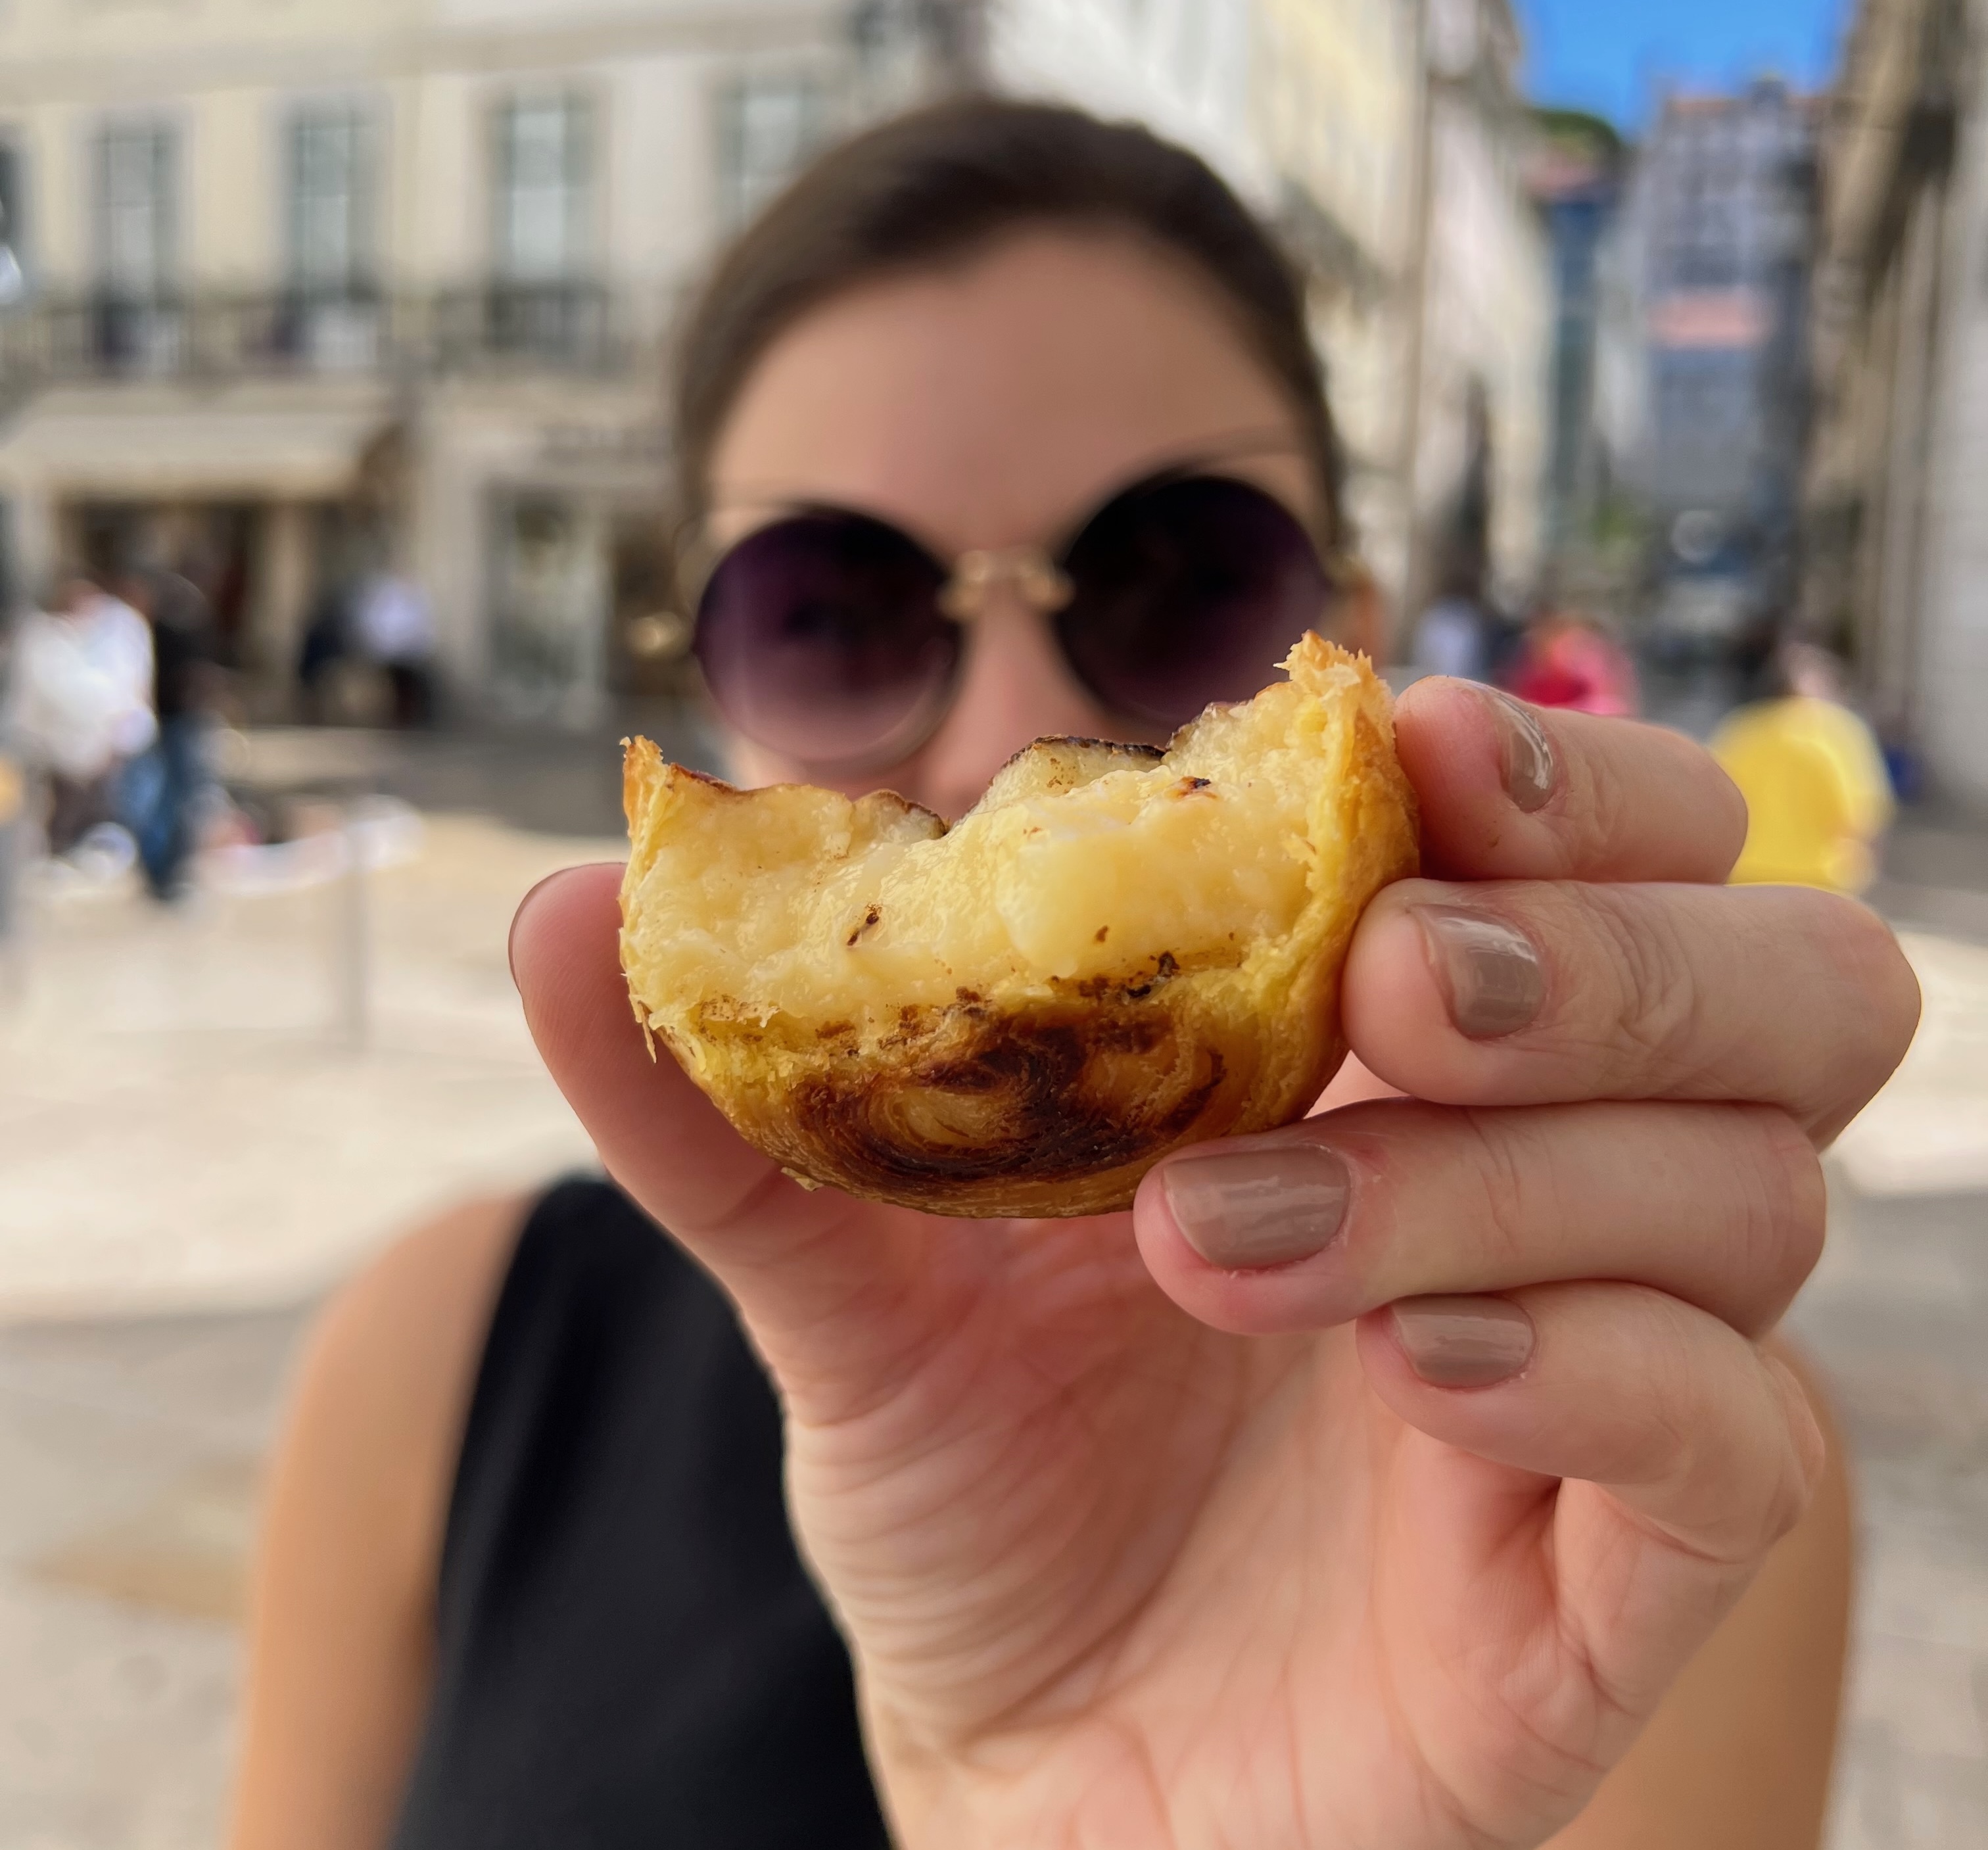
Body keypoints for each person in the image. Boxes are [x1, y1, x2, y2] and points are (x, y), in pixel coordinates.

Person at [230, 102, 1918, 1850]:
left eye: (1180, 580)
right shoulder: (438, 1364)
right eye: (831, 608)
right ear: (704, 676)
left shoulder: (1611, 1491)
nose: (1010, 734)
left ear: (1350, 641)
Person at [1711, 642, 1894, 895]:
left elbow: (1713, 797)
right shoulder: (1839, 731)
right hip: (1820, 877)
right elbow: (1862, 812)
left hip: (1748, 871)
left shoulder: (1743, 727)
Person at [5, 573, 156, 856]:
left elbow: (128, 688)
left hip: (93, 747)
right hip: (48, 748)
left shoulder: (111, 633)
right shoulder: (45, 638)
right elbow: (61, 694)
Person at [112, 563, 220, 901]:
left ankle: (170, 871)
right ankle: (164, 871)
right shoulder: (155, 630)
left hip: (171, 724)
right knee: (169, 800)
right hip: (168, 725)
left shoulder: (165, 628)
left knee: (177, 799)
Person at [1503, 608, 1640, 717]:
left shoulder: (1600, 694)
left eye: (1584, 647)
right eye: (1570, 647)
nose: (1578, 657)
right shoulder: (1537, 681)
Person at [352, 565, 437, 727]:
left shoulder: (416, 599)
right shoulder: (387, 599)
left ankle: (407, 716)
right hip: (392, 652)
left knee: (408, 686)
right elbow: (379, 625)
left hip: (409, 654)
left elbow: (423, 628)